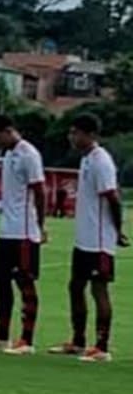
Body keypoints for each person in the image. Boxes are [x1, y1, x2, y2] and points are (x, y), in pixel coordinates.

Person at [49, 115, 127, 363]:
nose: (72, 137)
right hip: (84, 238)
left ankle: (101, 347)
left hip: (99, 240)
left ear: (90, 135)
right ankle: (78, 341)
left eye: (76, 133)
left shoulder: (101, 161)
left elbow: (113, 198)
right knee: (75, 287)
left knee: (99, 289)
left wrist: (117, 230)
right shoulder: (86, 160)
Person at [0, 115, 46, 355]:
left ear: (8, 131)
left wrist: (40, 224)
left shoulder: (28, 154)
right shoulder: (8, 154)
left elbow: (40, 191)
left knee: (25, 283)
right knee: (1, 281)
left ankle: (27, 340)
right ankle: (2, 335)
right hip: (7, 230)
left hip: (24, 231)